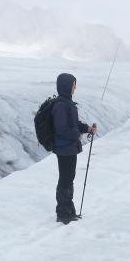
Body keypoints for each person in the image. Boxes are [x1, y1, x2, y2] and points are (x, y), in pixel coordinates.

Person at [51, 73, 97, 224]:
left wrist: (87, 129)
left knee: (68, 178)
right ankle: (63, 213)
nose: (75, 87)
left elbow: (74, 123)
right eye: (73, 84)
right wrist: (76, 135)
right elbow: (61, 129)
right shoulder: (60, 105)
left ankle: (69, 210)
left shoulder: (67, 103)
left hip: (69, 148)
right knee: (65, 179)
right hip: (64, 148)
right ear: (66, 86)